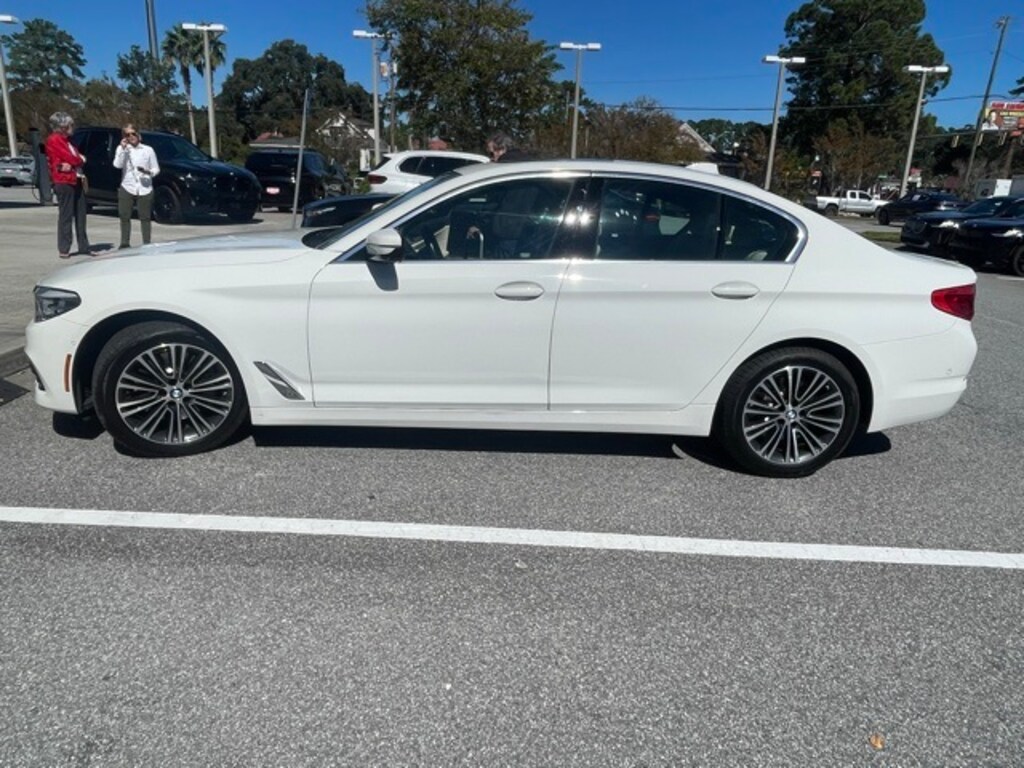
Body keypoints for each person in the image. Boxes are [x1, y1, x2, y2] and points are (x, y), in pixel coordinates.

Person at [44, 111, 91, 259]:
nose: (72, 127)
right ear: (62, 126)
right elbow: (73, 159)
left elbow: (79, 158)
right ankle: (64, 248)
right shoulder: (54, 140)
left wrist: (77, 160)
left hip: (76, 179)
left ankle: (84, 246)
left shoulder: (69, 141)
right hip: (64, 181)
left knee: (81, 214)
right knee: (66, 215)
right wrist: (76, 161)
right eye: (70, 125)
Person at [112, 124, 160, 249]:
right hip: (127, 186)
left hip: (144, 187)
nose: (131, 136)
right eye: (128, 135)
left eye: (133, 133)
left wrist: (149, 172)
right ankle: (124, 243)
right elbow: (117, 165)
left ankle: (146, 243)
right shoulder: (122, 149)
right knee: (124, 216)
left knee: (145, 217)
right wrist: (123, 150)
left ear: (138, 134)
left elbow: (156, 168)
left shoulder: (148, 150)